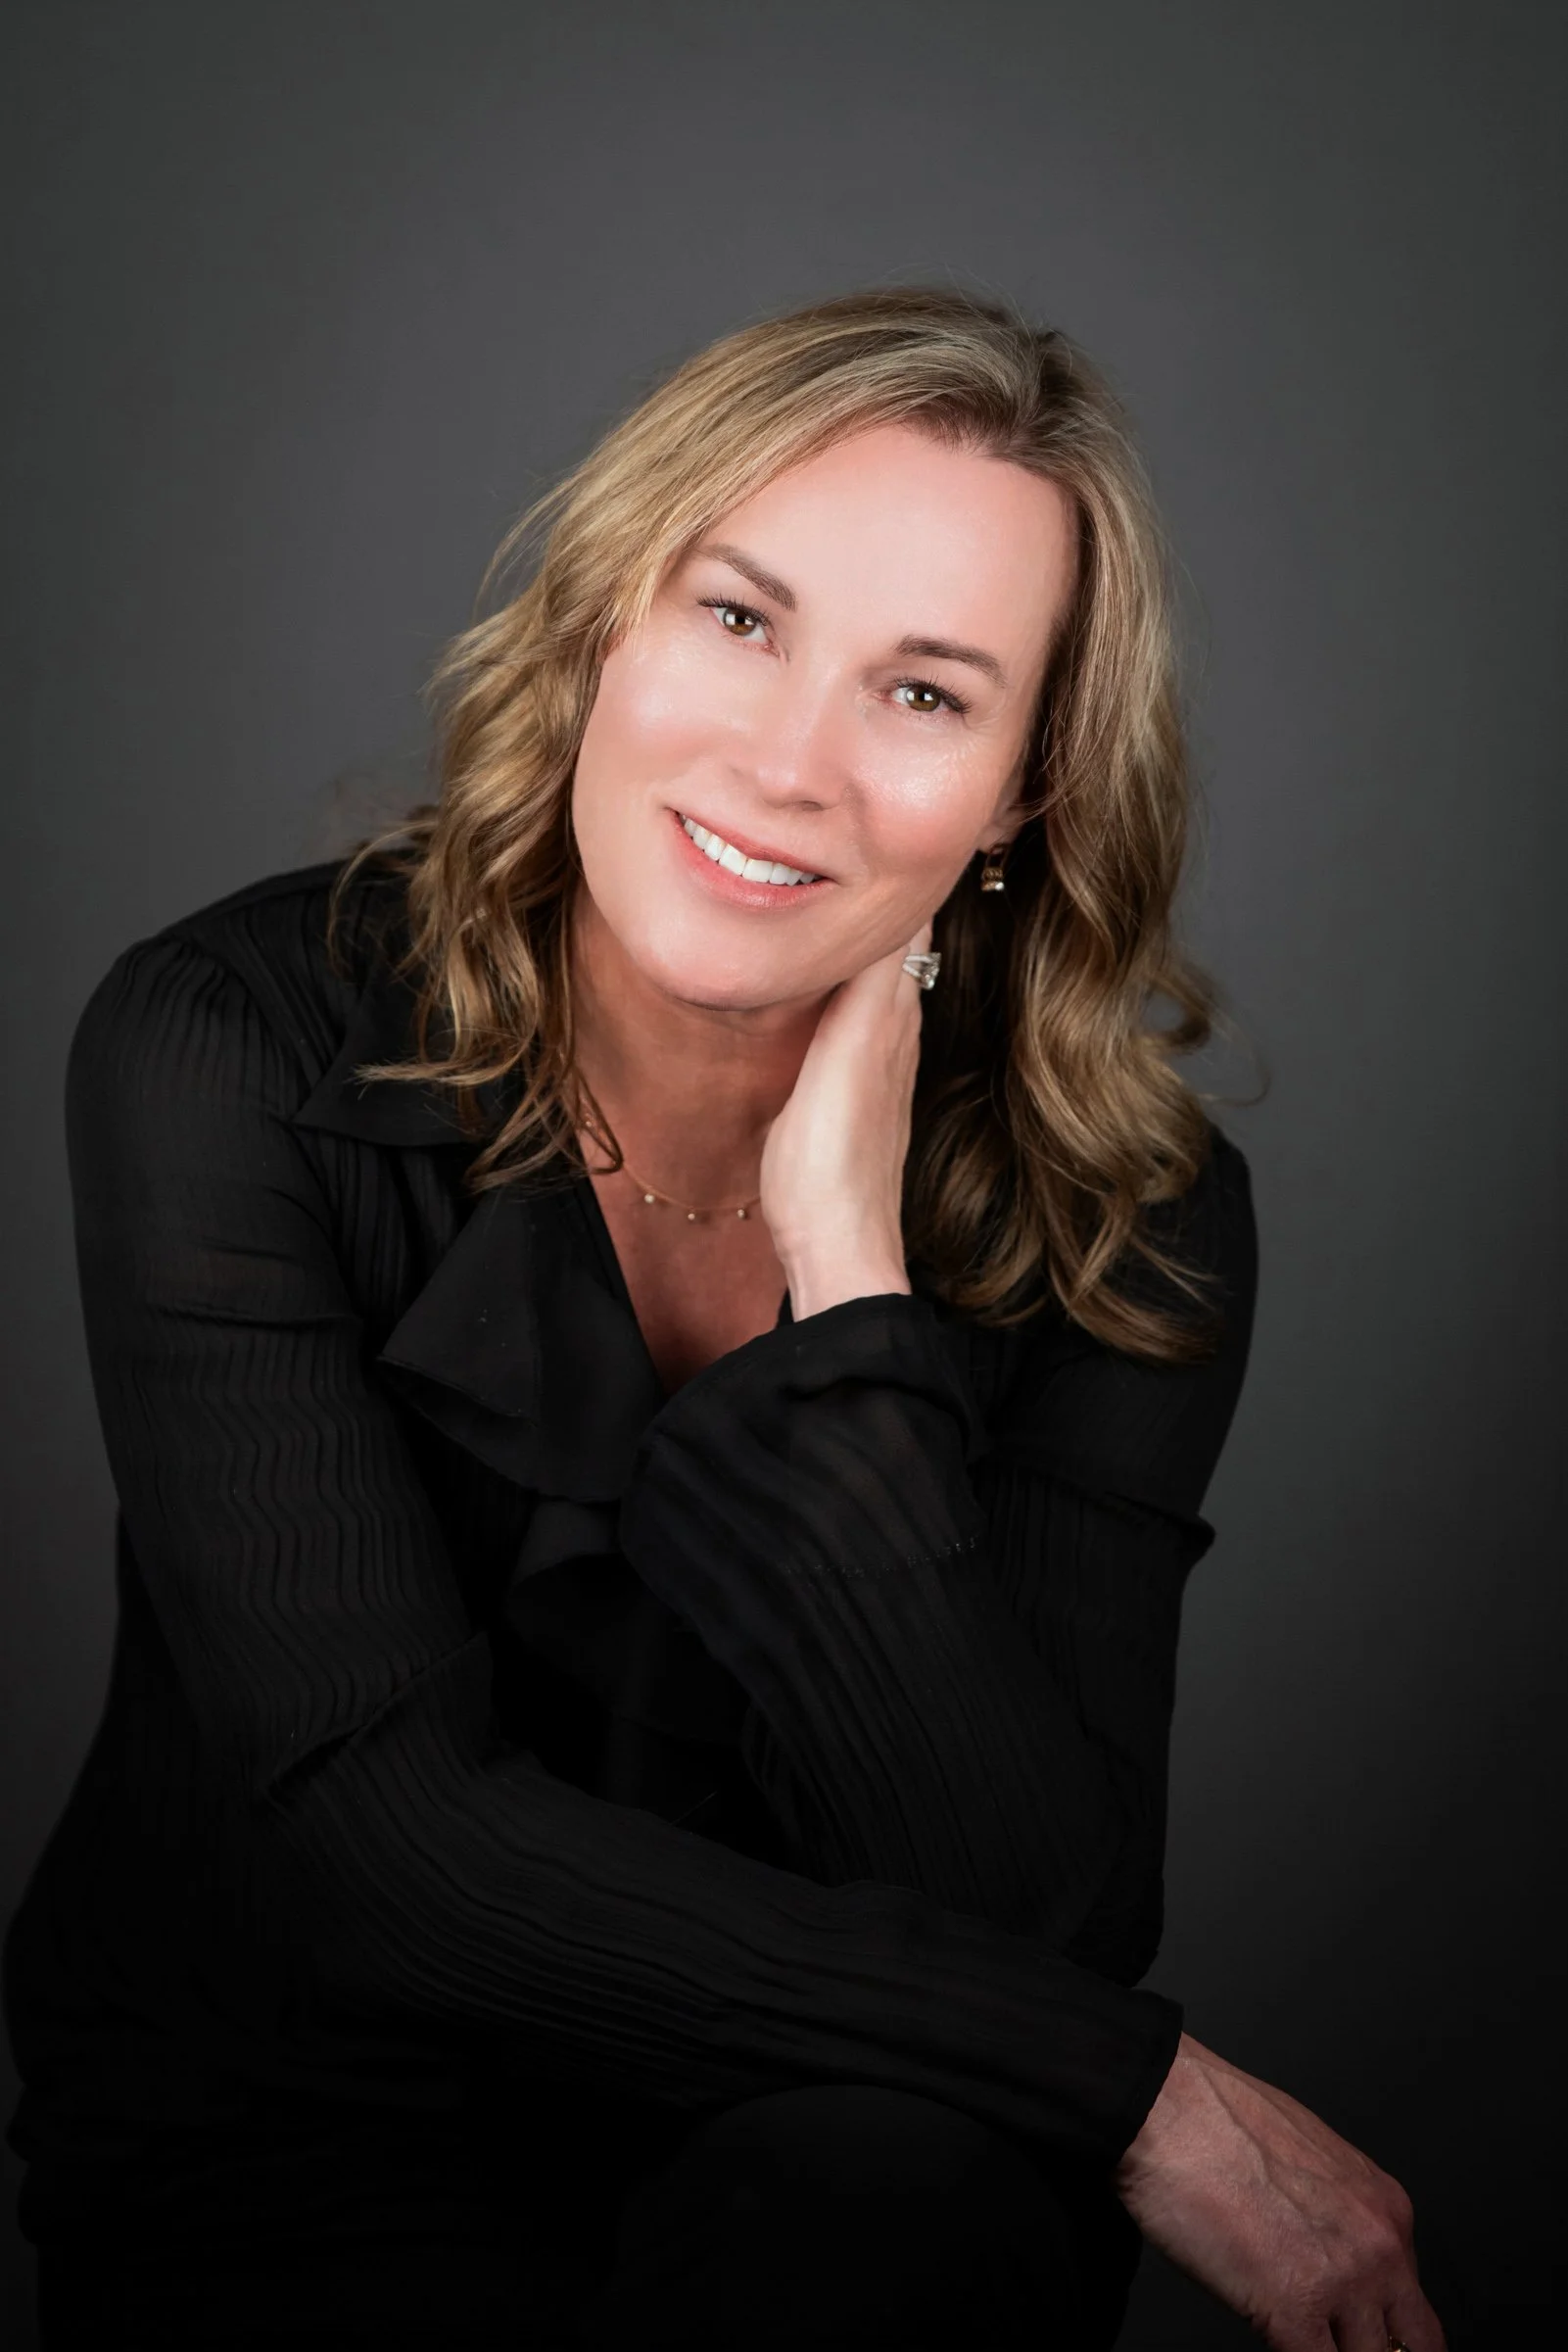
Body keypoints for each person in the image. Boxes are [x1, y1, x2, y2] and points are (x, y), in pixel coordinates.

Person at [2, 288, 1443, 2351]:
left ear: (1022, 795)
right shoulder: (229, 1041)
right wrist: (1138, 2090)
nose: (788, 763)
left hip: (849, 2147)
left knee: (886, 2210)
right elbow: (389, 1849)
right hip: (297, 2138)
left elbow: (1036, 1910)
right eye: (740, 620)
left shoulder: (1135, 1217)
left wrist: (848, 1285)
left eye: (926, 696)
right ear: (608, 622)